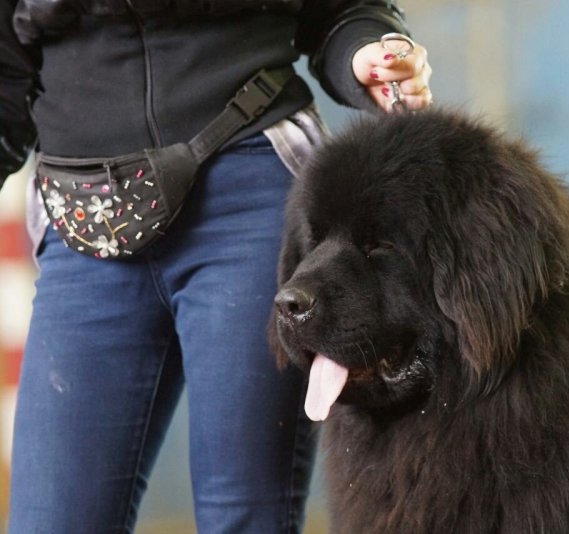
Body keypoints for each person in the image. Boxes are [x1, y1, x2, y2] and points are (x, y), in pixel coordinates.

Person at [0, 1, 432, 532]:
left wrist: (366, 49)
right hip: (83, 218)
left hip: (249, 185)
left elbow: (343, 10)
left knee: (246, 516)